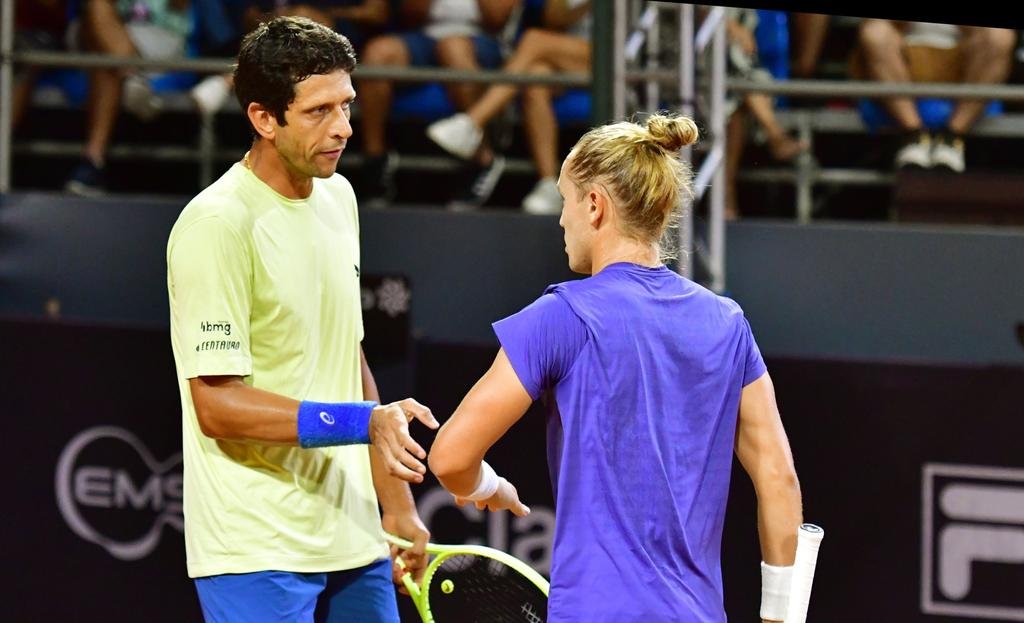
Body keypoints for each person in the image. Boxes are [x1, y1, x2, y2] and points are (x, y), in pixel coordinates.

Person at [428, 113, 804, 621]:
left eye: (565, 200)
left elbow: (450, 457)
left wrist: (486, 488)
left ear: (595, 205)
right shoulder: (727, 323)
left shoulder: (560, 316)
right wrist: (781, 616)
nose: (561, 219)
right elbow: (778, 479)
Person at [166, 16, 438, 622]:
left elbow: (350, 357)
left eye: (346, 105)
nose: (343, 128)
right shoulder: (216, 225)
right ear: (264, 118)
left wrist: (394, 505)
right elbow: (218, 406)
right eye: (318, 111)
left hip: (352, 533)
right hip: (254, 545)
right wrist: (364, 423)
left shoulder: (339, 196)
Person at [425, 0, 592, 214]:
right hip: (566, 52)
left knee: (534, 40)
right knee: (536, 78)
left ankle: (472, 122)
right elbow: (554, 19)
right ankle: (549, 183)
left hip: (616, 55)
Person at [358, 0, 516, 209]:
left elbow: (497, 18)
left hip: (482, 40)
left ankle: (483, 157)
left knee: (452, 48)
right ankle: (375, 161)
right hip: (425, 36)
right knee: (377, 54)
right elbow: (411, 14)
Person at [853, 20, 1016, 172]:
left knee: (1000, 36)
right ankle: (914, 135)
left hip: (962, 60)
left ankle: (952, 138)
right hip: (904, 57)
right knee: (875, 31)